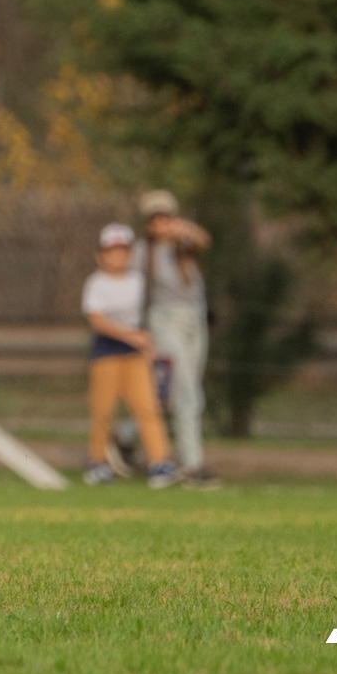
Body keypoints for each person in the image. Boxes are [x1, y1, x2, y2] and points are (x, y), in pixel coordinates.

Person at [133, 189, 221, 490]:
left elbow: (205, 240)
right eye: (155, 219)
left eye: (166, 217)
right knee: (187, 393)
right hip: (164, 321)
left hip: (194, 319)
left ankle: (125, 437)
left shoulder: (184, 244)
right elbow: (132, 288)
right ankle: (192, 465)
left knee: (173, 393)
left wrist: (184, 230)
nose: (162, 223)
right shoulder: (143, 252)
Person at [82, 223, 178, 488]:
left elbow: (146, 318)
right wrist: (131, 336)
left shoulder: (138, 281)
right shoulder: (97, 283)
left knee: (148, 408)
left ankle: (159, 461)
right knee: (103, 411)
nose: (118, 256)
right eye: (112, 251)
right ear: (101, 255)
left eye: (123, 251)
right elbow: (98, 321)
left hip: (134, 354)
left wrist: (148, 347)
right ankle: (98, 462)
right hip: (106, 353)